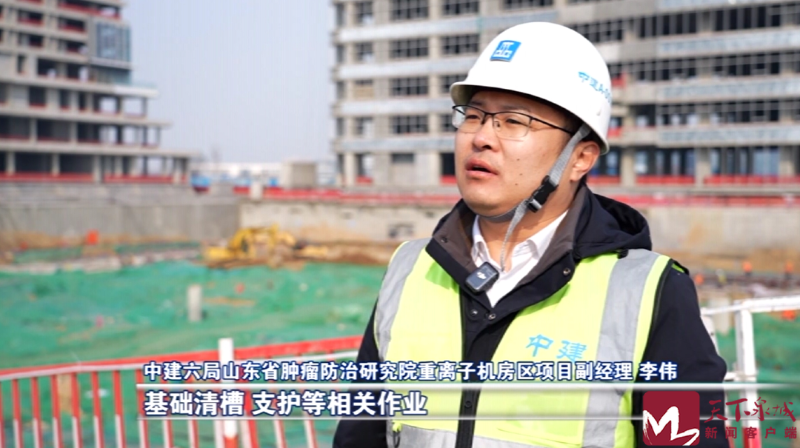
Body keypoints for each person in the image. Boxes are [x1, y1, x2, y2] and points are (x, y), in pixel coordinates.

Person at [333, 21, 727, 448]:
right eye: (474, 116)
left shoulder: (651, 293)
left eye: (513, 121)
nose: (482, 137)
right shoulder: (410, 268)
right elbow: (360, 434)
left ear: (580, 157)